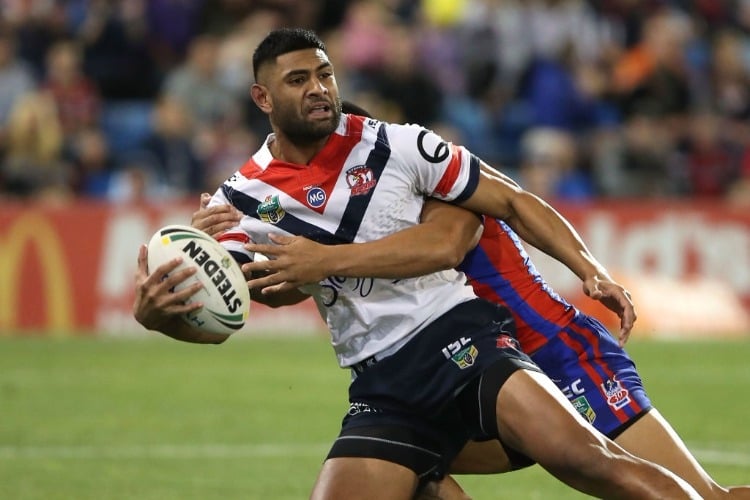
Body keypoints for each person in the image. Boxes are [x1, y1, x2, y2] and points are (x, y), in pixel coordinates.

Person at [133, 28, 701, 499]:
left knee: (587, 462)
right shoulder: (240, 198)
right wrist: (159, 313)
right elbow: (249, 302)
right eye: (298, 79)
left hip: (462, 341)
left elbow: (505, 203)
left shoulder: (398, 146)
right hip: (381, 383)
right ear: (263, 99)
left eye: (325, 74)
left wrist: (588, 267)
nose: (318, 88)